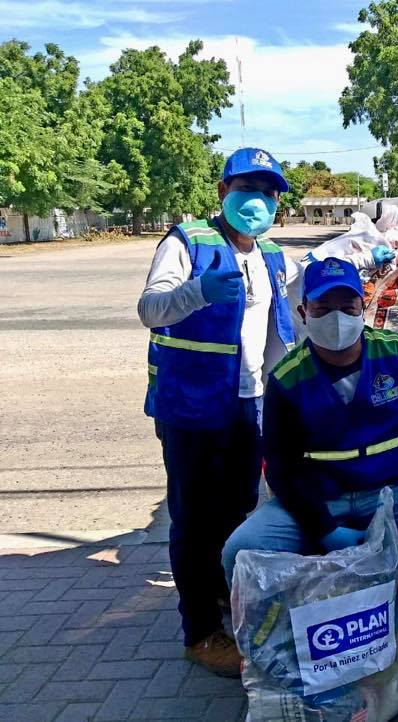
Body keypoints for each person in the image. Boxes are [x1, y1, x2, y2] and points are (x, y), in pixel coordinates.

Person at [222, 257, 398, 720]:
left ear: (362, 307)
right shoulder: (287, 377)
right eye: (323, 307)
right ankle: (271, 653)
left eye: (347, 305)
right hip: (319, 496)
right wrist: (323, 527)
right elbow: (281, 469)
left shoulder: (393, 353)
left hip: (394, 486)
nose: (337, 317)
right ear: (304, 313)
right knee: (241, 550)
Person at [138, 147, 301, 676]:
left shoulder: (272, 254)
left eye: (268, 193)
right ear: (223, 191)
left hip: (249, 405)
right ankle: (200, 632)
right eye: (247, 188)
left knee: (237, 512)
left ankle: (225, 600)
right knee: (193, 519)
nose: (258, 200)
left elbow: (304, 297)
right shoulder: (188, 242)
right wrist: (197, 293)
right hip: (190, 408)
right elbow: (149, 309)